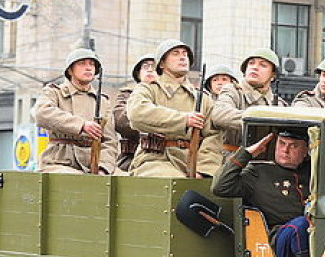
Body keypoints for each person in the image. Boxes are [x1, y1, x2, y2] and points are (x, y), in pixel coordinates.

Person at [212, 128, 311, 257]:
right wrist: (247, 153)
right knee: (299, 226)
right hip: (278, 243)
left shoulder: (313, 172)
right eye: (281, 144)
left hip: (316, 237)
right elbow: (220, 186)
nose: (285, 151)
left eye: (293, 146)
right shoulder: (258, 172)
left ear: (306, 150)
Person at [126, 39, 221, 178]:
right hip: (155, 160)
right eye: (175, 53)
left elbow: (213, 135)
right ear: (162, 63)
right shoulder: (149, 89)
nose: (182, 57)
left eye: (185, 54)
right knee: (175, 183)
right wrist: (184, 119)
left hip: (191, 163)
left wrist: (204, 169)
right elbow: (137, 113)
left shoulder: (203, 99)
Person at [33, 47, 119, 175]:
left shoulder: (102, 102)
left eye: (91, 64)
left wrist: (103, 167)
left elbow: (109, 141)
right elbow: (41, 113)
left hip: (92, 163)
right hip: (58, 161)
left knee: (127, 181)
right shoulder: (55, 93)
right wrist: (81, 125)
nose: (88, 67)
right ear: (70, 70)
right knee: (78, 181)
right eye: (82, 63)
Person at [212, 48, 286, 155]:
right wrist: (258, 120)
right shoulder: (232, 91)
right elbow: (220, 115)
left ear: (273, 75)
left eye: (263, 65)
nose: (255, 67)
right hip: (232, 158)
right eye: (251, 63)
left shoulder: (279, 104)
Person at [113, 53, 157, 171]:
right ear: (138, 73)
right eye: (145, 66)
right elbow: (120, 121)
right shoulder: (126, 95)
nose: (150, 70)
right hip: (130, 158)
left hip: (163, 156)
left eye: (154, 67)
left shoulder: (168, 97)